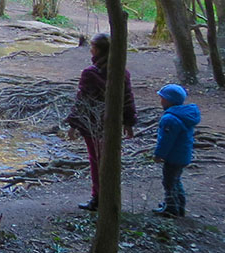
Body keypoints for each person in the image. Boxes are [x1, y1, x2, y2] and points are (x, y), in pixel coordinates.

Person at [65, 32, 136, 211]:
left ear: (96, 50)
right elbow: (128, 98)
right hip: (113, 124)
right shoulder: (122, 71)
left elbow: (82, 100)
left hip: (94, 124)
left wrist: (73, 125)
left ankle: (98, 199)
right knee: (109, 159)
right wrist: (128, 123)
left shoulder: (90, 73)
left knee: (96, 160)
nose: (91, 50)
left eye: (92, 47)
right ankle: (109, 197)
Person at [153, 83, 200, 217]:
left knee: (168, 181)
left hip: (173, 157)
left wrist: (159, 154)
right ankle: (178, 205)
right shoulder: (185, 115)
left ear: (168, 100)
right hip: (183, 155)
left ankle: (172, 208)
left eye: (162, 98)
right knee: (176, 180)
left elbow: (166, 141)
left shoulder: (170, 119)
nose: (160, 101)